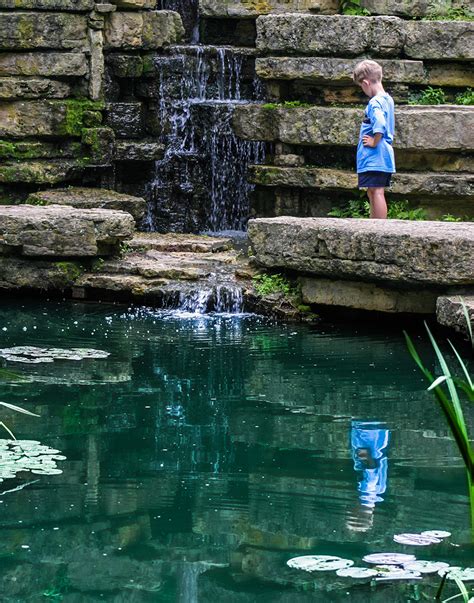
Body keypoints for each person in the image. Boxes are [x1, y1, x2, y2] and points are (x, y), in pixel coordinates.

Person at [353, 60, 396, 219]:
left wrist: (374, 141)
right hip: (383, 156)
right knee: (374, 190)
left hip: (375, 156)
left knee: (376, 191)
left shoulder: (375, 102)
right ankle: (375, 225)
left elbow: (380, 123)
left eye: (361, 86)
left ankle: (379, 227)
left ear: (365, 83)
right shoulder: (387, 99)